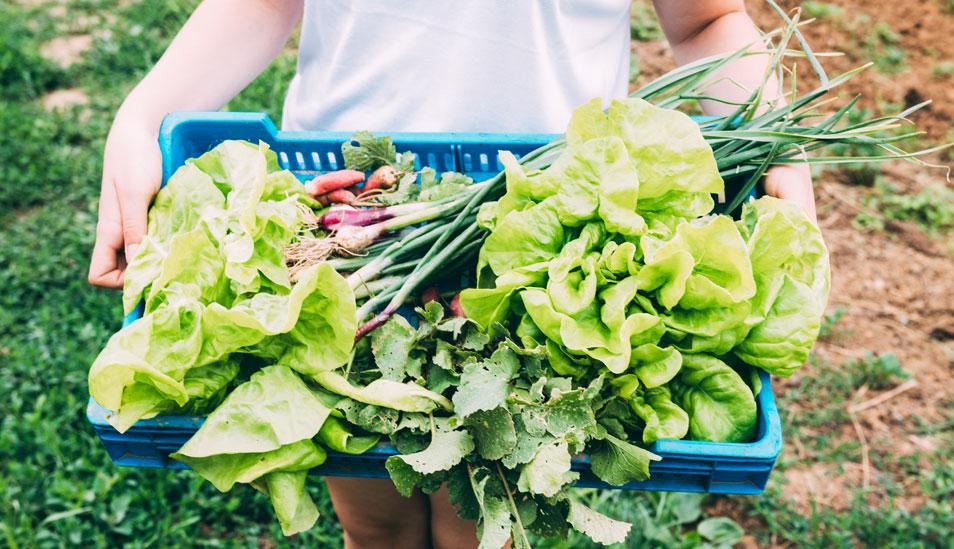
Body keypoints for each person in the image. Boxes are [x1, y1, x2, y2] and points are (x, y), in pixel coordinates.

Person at [88, 1, 816, 547]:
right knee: (376, 522)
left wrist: (780, 145)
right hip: (350, 225)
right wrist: (143, 111)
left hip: (544, 244)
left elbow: (706, 18)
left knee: (483, 524)